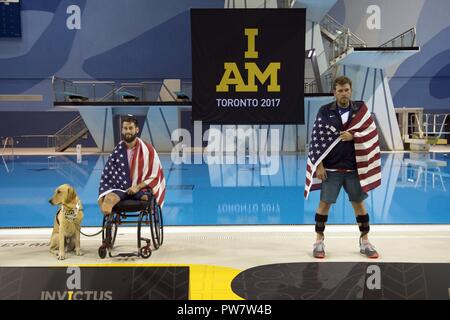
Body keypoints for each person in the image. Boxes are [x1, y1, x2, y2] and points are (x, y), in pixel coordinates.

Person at [305, 76, 381, 259]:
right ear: (334, 92)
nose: (343, 93)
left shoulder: (361, 110)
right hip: (331, 169)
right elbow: (316, 140)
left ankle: (365, 241)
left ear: (351, 90)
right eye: (340, 90)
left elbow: (371, 132)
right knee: (324, 205)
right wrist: (320, 166)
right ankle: (318, 240)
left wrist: (354, 136)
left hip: (354, 169)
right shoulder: (325, 111)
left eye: (346, 90)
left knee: (359, 205)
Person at [98, 116, 165, 215]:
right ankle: (109, 223)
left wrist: (137, 187)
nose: (128, 131)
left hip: (141, 188)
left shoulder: (148, 150)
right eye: (125, 128)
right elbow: (108, 174)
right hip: (120, 187)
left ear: (137, 129)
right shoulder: (117, 152)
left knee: (147, 199)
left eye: (130, 128)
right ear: (122, 130)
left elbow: (155, 174)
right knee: (107, 202)